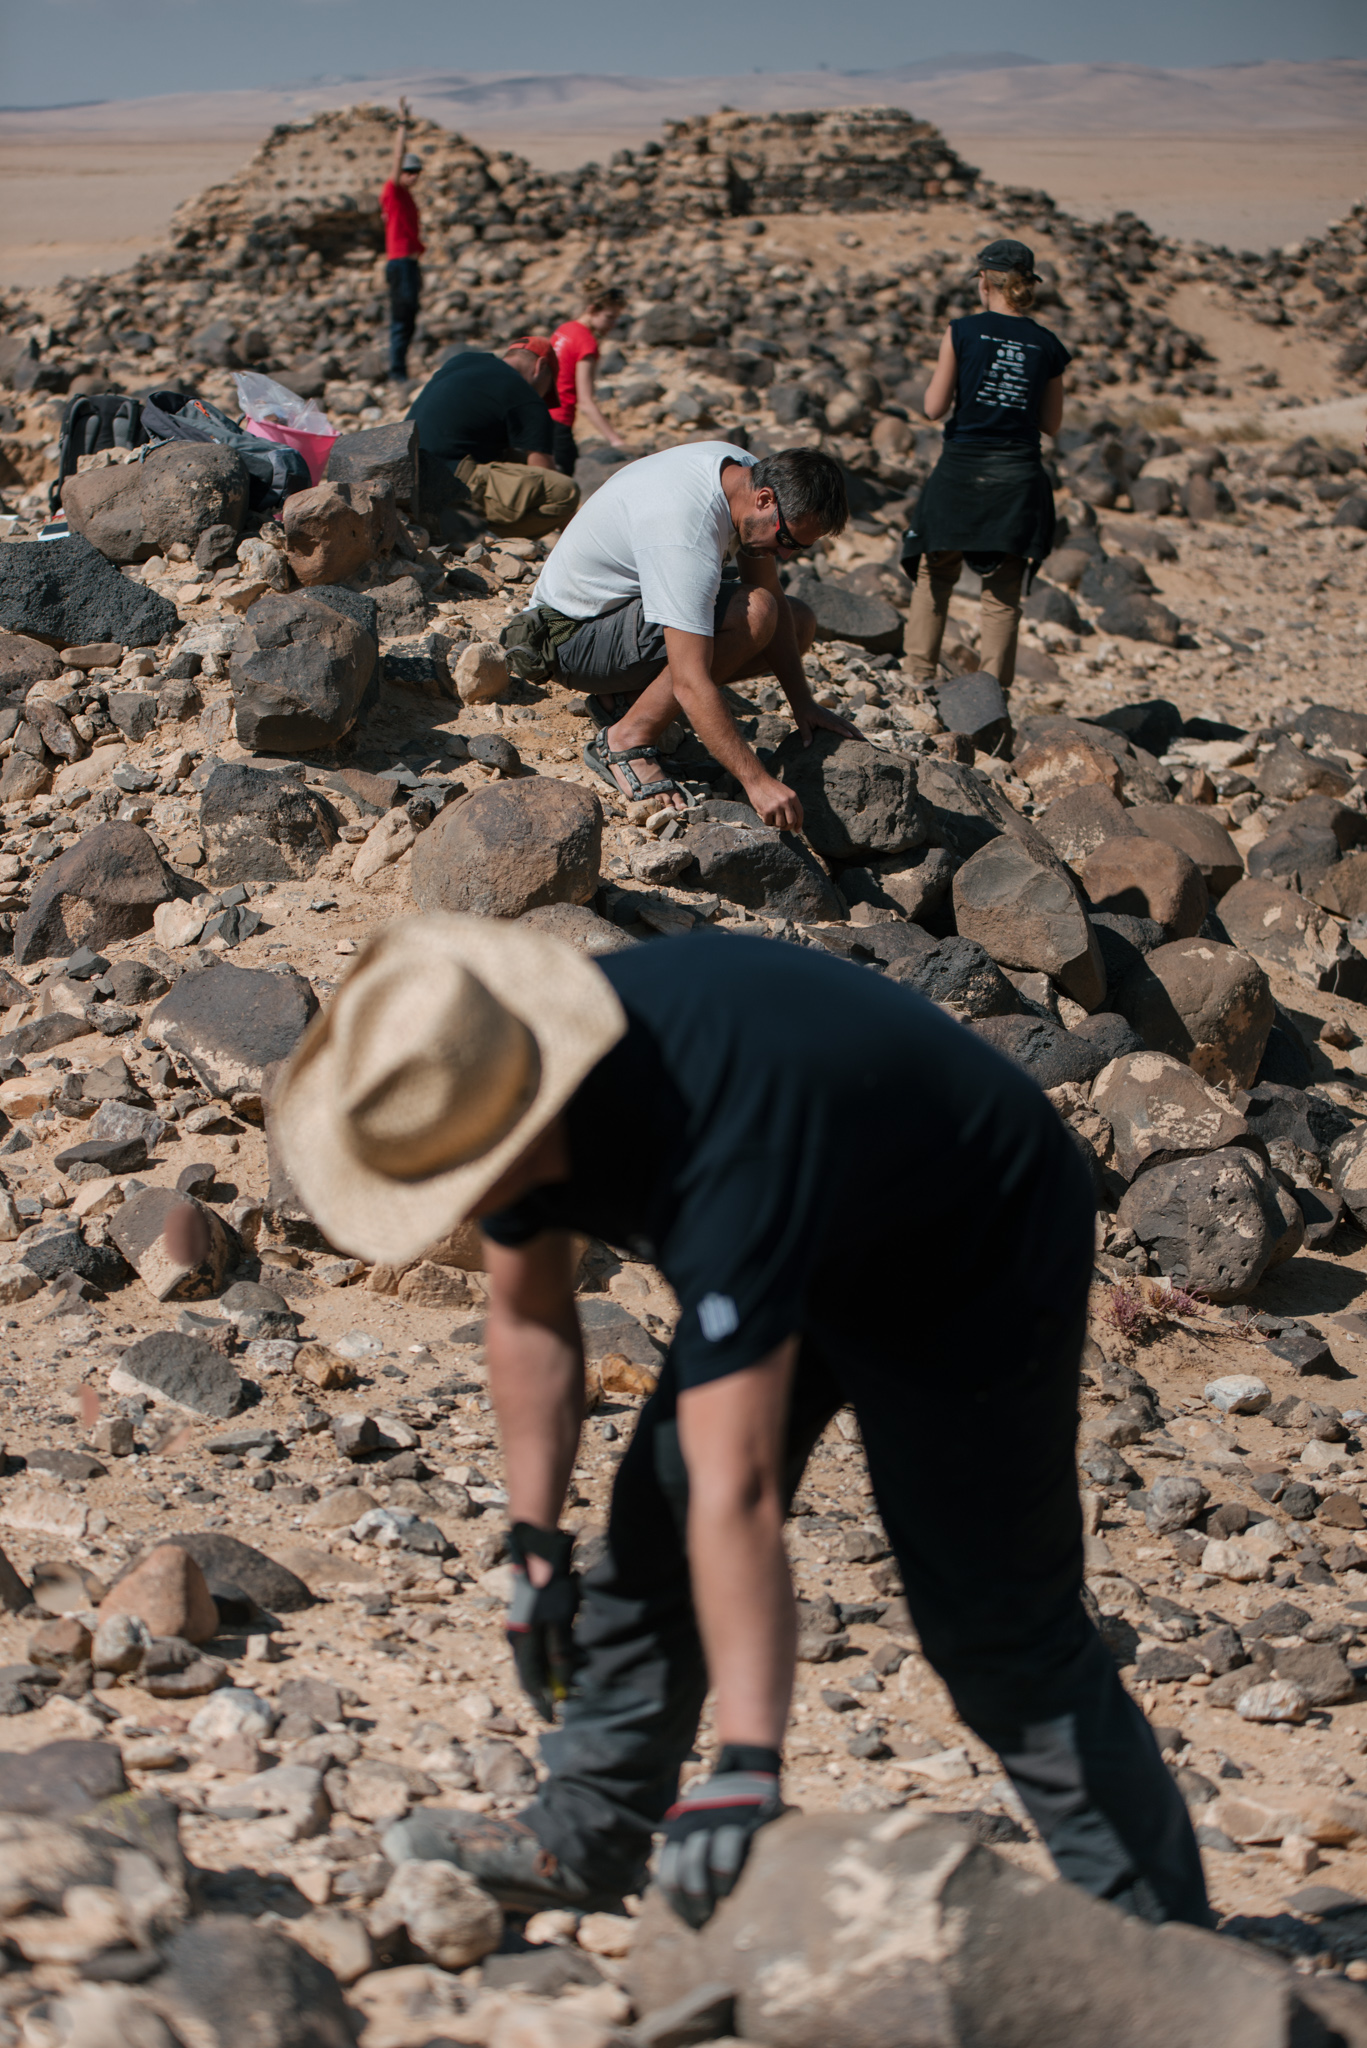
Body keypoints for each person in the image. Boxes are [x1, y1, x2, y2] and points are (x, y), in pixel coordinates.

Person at [274, 915, 1212, 1936]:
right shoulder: (487, 1078)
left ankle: (1160, 1940)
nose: (452, 1200)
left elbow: (742, 1486)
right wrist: (533, 1547)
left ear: (524, 1127)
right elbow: (530, 1316)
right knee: (651, 1524)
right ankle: (584, 1830)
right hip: (814, 1206)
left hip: (971, 1235)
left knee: (995, 1621)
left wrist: (747, 1760)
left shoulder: (708, 1137)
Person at [502, 442, 857, 823]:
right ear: (765, 499)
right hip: (571, 640)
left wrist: (802, 702)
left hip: (616, 617)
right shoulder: (685, 525)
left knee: (795, 620)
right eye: (787, 541)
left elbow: (769, 591)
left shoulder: (744, 475)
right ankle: (626, 740)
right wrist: (757, 781)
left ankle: (630, 698)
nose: (787, 555)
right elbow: (691, 682)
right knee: (754, 614)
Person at [902, 237, 1070, 696]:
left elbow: (934, 407)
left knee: (935, 574)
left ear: (984, 281)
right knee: (1002, 594)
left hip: (961, 471)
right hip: (1017, 478)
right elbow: (1052, 424)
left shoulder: (962, 331)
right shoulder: (1048, 345)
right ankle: (990, 696)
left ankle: (917, 679)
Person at [408, 338, 580, 539]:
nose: (543, 397)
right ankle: (471, 532)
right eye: (548, 389)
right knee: (565, 492)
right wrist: (573, 525)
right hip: (447, 481)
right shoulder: (527, 396)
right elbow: (543, 473)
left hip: (408, 469)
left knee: (512, 457)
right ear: (541, 366)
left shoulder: (464, 361)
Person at [549, 279, 628, 476]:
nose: (613, 324)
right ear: (592, 309)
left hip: (539, 412)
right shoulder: (586, 343)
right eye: (609, 317)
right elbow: (585, 402)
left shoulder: (564, 330)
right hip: (559, 419)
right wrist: (615, 440)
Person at [380, 99, 425, 385]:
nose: (414, 177)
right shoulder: (393, 191)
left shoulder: (408, 198)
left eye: (417, 172)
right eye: (410, 172)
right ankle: (396, 372)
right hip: (399, 264)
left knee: (409, 319)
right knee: (401, 319)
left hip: (409, 263)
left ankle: (402, 369)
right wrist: (402, 126)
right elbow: (396, 161)